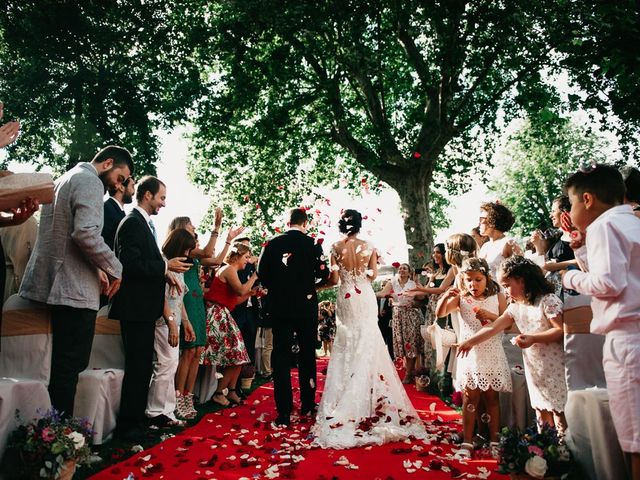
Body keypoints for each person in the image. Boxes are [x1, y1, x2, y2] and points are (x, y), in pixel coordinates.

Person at [19, 145, 132, 417]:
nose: (121, 184)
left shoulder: (64, 179)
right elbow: (86, 234)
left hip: (53, 284)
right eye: (121, 177)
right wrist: (116, 268)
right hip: (73, 291)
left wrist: (98, 269)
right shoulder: (90, 181)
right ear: (107, 163)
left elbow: (67, 237)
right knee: (70, 369)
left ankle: (52, 437)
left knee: (55, 368)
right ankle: (62, 441)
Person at [311, 209, 427, 449]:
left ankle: (346, 399)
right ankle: (370, 397)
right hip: (363, 294)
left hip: (345, 295)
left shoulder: (334, 247)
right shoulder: (370, 245)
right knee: (368, 340)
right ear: (359, 223)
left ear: (342, 224)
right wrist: (363, 273)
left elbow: (333, 280)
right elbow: (373, 276)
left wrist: (318, 288)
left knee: (346, 342)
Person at [560, 164, 640, 480]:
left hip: (627, 341)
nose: (571, 209)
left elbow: (608, 283)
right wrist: (578, 247)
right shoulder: (631, 222)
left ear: (589, 199)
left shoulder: (604, 226)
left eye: (572, 202)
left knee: (634, 438)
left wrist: (571, 278)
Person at [110, 176, 190, 439]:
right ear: (147, 195)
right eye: (161, 198)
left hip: (145, 308)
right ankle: (129, 425)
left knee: (143, 367)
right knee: (138, 368)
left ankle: (137, 421)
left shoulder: (145, 225)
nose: (163, 204)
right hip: (135, 307)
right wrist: (166, 267)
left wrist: (163, 273)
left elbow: (145, 263)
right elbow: (129, 264)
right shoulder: (132, 223)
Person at [458, 256, 567, 434]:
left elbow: (560, 330)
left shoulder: (547, 301)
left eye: (507, 285)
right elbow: (494, 327)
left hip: (554, 367)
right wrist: (470, 342)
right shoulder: (515, 307)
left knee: (557, 410)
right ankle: (548, 450)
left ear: (522, 281)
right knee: (540, 409)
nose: (506, 291)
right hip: (534, 367)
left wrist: (533, 338)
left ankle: (564, 451)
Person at [257, 207, 329, 426]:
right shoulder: (313, 245)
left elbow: (262, 272)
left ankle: (284, 410)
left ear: (287, 222)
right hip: (306, 306)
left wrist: (279, 289)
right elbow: (324, 273)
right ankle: (308, 403)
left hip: (280, 306)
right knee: (307, 354)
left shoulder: (272, 243)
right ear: (305, 223)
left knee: (280, 356)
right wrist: (310, 286)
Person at [167, 213, 242, 418]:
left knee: (198, 351)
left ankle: (188, 396)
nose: (194, 227)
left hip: (198, 301)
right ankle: (178, 397)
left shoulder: (193, 253)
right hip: (187, 300)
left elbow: (217, 260)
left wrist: (228, 240)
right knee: (189, 351)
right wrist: (217, 227)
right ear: (181, 228)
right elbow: (209, 251)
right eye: (191, 225)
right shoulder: (183, 250)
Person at [436, 257, 511, 459]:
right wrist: (445, 297)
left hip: (492, 353)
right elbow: (440, 313)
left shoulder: (498, 297)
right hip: (470, 355)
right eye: (468, 280)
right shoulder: (462, 299)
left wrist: (491, 316)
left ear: (487, 278)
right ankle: (468, 441)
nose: (473, 284)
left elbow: (508, 324)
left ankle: (494, 441)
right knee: (470, 399)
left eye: (478, 279)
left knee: (492, 399)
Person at [146, 228, 196, 427]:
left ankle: (167, 409)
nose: (187, 255)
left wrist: (186, 322)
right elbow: (162, 296)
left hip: (174, 321)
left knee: (171, 365)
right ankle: (155, 411)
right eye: (185, 250)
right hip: (163, 321)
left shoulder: (180, 267)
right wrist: (171, 322)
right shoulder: (164, 263)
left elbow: (180, 297)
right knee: (164, 365)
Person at [202, 242, 258, 406]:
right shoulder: (228, 269)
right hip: (218, 315)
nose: (247, 261)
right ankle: (219, 393)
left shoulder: (229, 270)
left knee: (240, 355)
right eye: (246, 257)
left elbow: (237, 299)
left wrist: (252, 293)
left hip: (224, 313)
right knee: (237, 355)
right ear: (237, 256)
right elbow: (240, 290)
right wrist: (254, 277)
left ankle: (231, 391)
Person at [376, 263, 425, 383]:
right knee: (401, 344)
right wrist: (368, 294)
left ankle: (409, 374)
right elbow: (382, 293)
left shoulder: (413, 283)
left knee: (411, 342)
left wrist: (416, 292)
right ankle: (410, 370)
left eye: (404, 268)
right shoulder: (393, 282)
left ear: (409, 272)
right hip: (398, 315)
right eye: (400, 268)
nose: (402, 270)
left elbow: (423, 296)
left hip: (411, 314)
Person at [478, 201, 522, 280]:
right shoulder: (485, 246)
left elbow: (520, 273)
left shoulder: (509, 243)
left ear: (492, 221)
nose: (479, 223)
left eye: (481, 219)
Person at [101, 175, 135, 250]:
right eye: (132, 186)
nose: (133, 192)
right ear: (121, 187)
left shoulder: (118, 211)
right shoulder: (106, 209)